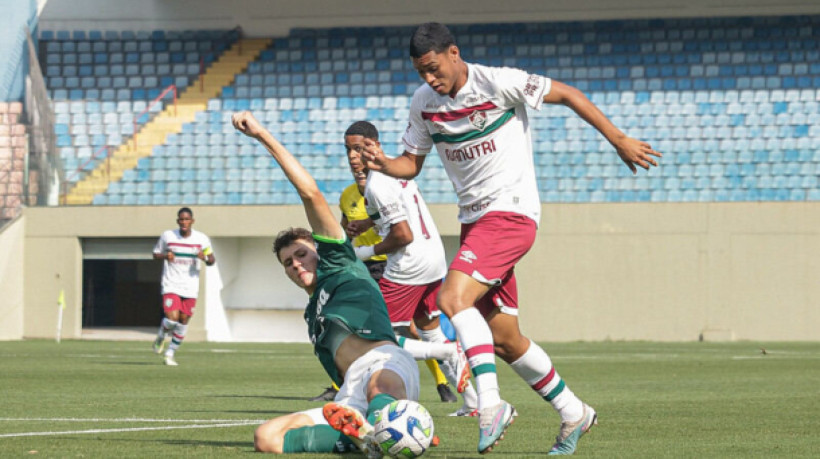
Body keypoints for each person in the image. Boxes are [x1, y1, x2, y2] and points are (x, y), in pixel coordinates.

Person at [362, 22, 662, 455]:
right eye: (419, 72)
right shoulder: (423, 103)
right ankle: (574, 411)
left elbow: (570, 95)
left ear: (453, 52)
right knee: (504, 338)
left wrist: (617, 139)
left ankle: (490, 404)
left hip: (511, 212)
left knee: (452, 301)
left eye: (432, 68)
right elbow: (411, 163)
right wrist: (384, 163)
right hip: (474, 222)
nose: (428, 79)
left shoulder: (499, 82)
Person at [232, 111, 417, 458]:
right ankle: (366, 440)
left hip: (386, 366)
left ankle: (386, 428)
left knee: (380, 385)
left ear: (319, 250)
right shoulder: (311, 317)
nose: (296, 263)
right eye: (288, 262)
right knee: (267, 438)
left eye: (301, 254)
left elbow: (311, 193)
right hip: (350, 396)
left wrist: (261, 135)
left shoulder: (340, 262)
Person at [343, 120, 477, 416]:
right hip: (434, 259)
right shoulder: (396, 170)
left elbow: (403, 234)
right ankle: (472, 403)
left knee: (377, 336)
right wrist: (368, 223)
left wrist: (365, 251)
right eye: (348, 149)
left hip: (410, 265)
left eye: (358, 148)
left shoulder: (377, 183)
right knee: (429, 330)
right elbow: (401, 215)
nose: (353, 156)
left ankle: (445, 352)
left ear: (374, 145)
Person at [309, 166, 460, 405]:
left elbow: (402, 232)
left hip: (386, 265)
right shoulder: (348, 196)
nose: (356, 166)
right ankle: (341, 385)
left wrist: (366, 249)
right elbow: (344, 229)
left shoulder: (382, 188)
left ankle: (441, 382)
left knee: (394, 331)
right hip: (362, 266)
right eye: (351, 157)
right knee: (355, 327)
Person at [152, 207, 215, 366]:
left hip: (190, 287)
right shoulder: (168, 236)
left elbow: (212, 260)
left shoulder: (201, 239)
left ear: (192, 221)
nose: (184, 222)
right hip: (171, 284)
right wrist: (165, 255)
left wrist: (204, 257)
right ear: (178, 221)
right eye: (181, 219)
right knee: (172, 319)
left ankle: (170, 354)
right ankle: (161, 336)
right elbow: (155, 254)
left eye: (187, 219)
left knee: (183, 321)